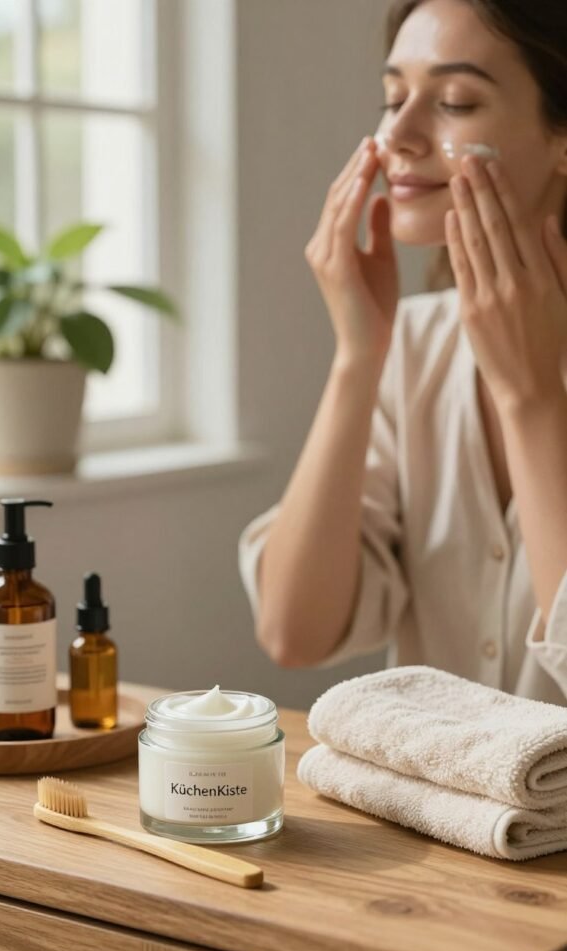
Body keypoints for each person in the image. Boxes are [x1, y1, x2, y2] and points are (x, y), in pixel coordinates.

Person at [238, 0, 567, 706]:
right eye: (392, 98)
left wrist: (532, 398)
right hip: (424, 821)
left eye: (453, 101)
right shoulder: (411, 346)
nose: (397, 135)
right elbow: (294, 632)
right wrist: (359, 356)